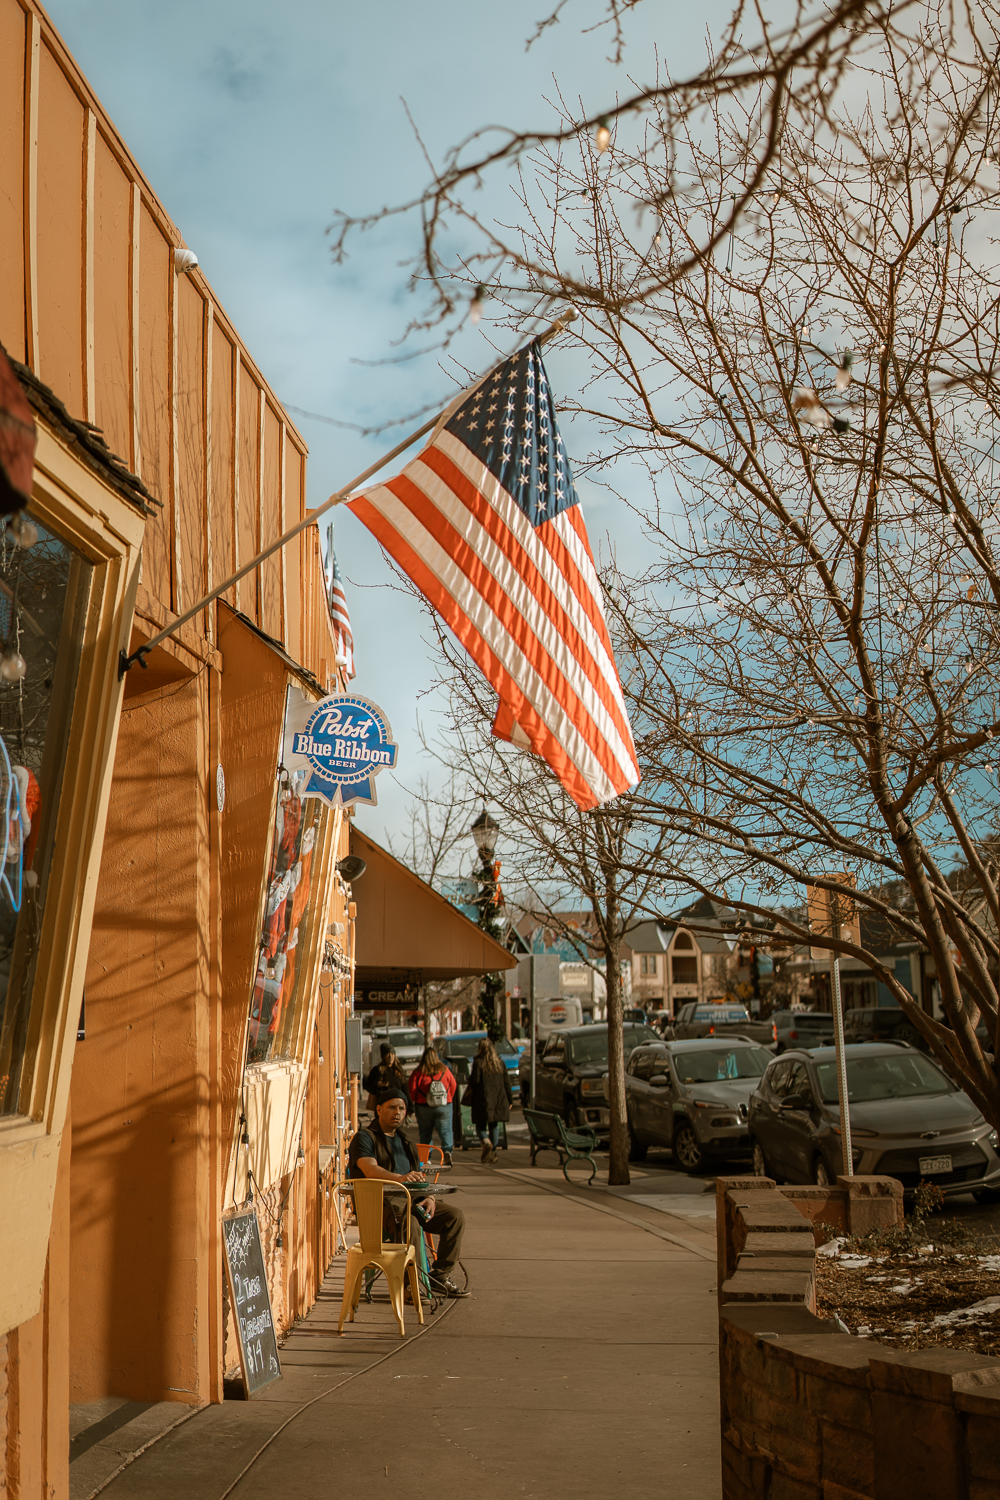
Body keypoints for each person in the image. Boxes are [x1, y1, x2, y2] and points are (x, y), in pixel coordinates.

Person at [347, 1088, 469, 1299]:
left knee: (454, 1217)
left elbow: (418, 1177)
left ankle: (440, 1277)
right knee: (410, 1222)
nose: (397, 1112)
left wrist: (429, 1197)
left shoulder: (406, 1141)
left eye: (402, 1108)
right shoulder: (365, 1138)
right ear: (379, 1109)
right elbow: (370, 1170)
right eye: (392, 1107)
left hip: (412, 1201)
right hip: (379, 1206)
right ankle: (411, 1284)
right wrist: (399, 1178)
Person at [467, 1037, 513, 1163]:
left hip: (482, 1100)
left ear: (480, 1049)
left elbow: (474, 1081)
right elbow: (507, 1083)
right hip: (498, 1099)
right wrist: (510, 1099)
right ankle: (493, 1152)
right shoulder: (500, 1063)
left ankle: (486, 1142)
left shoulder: (478, 1063)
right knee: (494, 1126)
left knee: (480, 1126)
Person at [408, 1046, 457, 1166]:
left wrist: (413, 1102)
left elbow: (412, 1089)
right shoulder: (444, 1070)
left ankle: (426, 1158)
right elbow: (453, 1084)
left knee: (425, 1132)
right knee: (445, 1130)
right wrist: (448, 1097)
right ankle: (447, 1151)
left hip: (423, 1106)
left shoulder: (418, 1072)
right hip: (443, 1106)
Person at [363, 1042, 409, 1115]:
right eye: (387, 1054)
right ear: (383, 1057)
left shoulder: (399, 1071)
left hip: (397, 1108)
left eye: (392, 1054)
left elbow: (405, 1090)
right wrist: (378, 1085)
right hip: (382, 1107)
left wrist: (409, 1109)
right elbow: (367, 1086)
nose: (390, 1057)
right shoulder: (377, 1070)